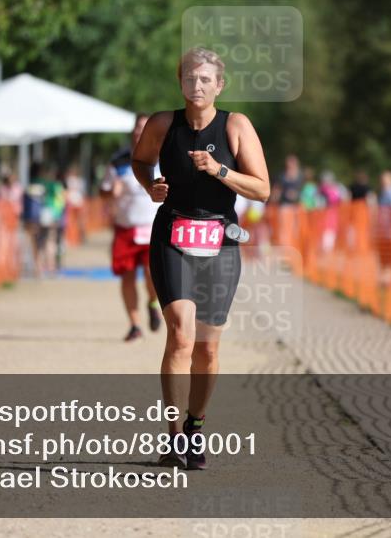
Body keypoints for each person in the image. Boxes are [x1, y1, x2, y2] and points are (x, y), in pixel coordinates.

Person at [132, 46, 270, 471]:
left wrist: (219, 170)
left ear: (219, 86)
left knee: (207, 350)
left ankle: (195, 425)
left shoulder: (236, 127)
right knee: (181, 335)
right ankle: (174, 438)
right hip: (172, 234)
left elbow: (262, 189)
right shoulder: (161, 124)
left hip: (219, 242)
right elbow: (140, 161)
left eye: (206, 79)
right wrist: (150, 184)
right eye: (191, 78)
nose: (197, 85)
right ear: (181, 82)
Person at [100, 114, 164, 342]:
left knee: (151, 273)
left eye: (145, 128)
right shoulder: (118, 161)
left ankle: (153, 302)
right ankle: (134, 324)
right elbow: (103, 191)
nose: (140, 132)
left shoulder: (164, 157)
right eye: (137, 128)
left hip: (154, 227)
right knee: (126, 276)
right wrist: (111, 192)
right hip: (125, 227)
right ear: (132, 131)